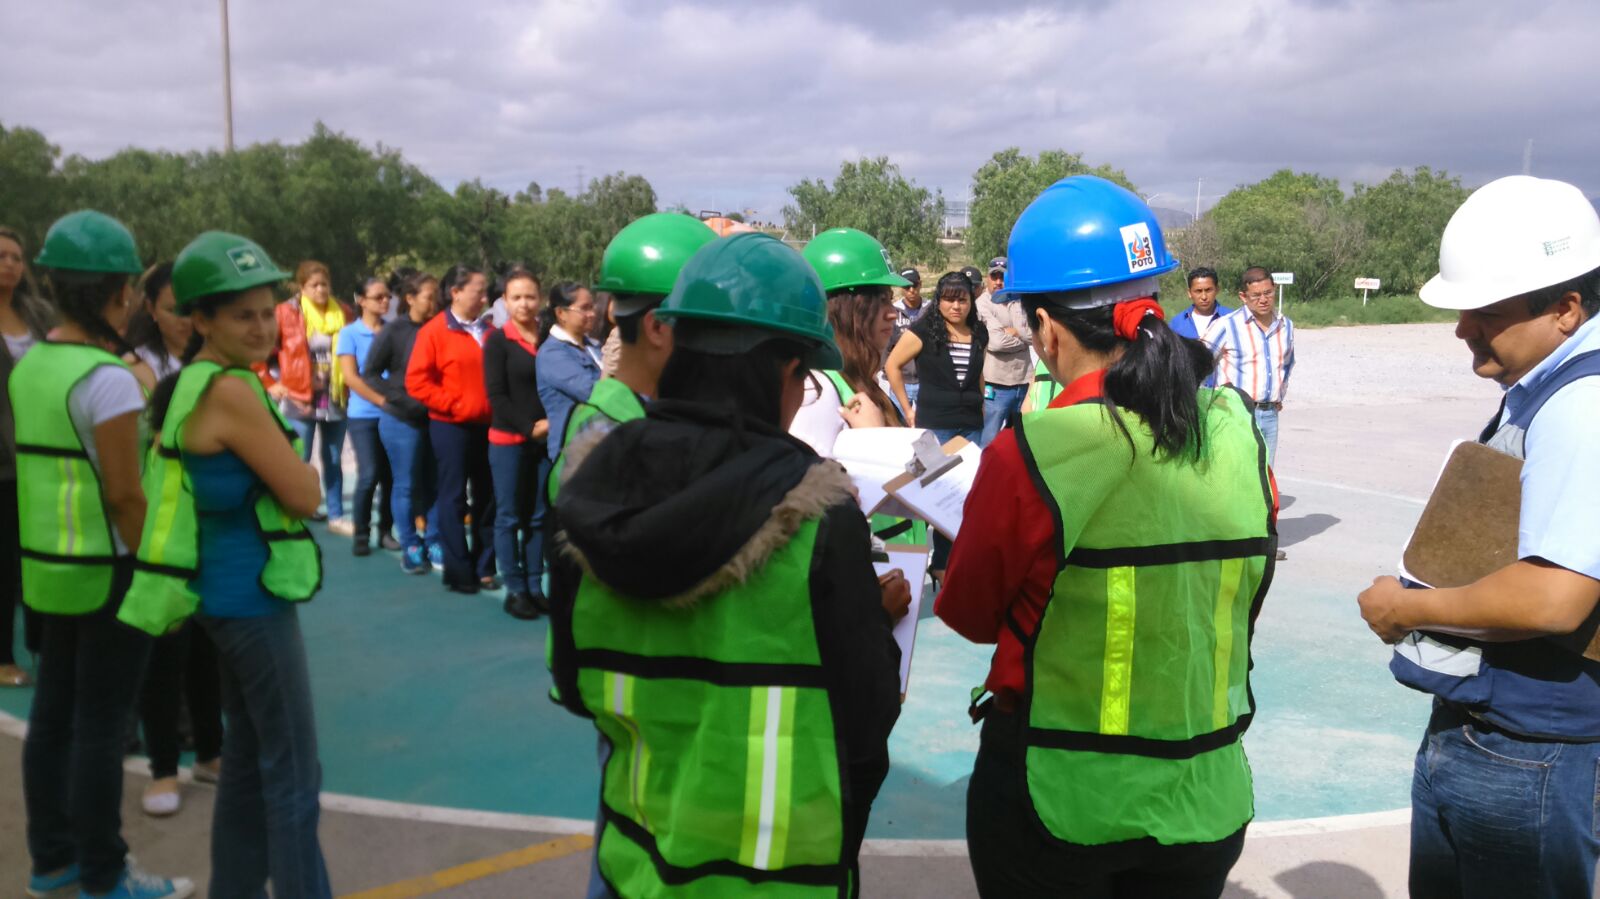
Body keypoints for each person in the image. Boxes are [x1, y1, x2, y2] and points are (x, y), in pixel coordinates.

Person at [937, 175, 1274, 899]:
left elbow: (968, 614)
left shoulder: (1036, 450)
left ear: (1048, 328)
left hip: (1059, 793)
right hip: (1202, 791)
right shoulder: (1235, 429)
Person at [550, 232, 901, 897]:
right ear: (783, 370)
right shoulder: (818, 515)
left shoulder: (591, 484)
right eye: (802, 376)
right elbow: (866, 721)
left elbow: (573, 681)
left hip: (638, 865)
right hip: (775, 878)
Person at [1356, 175, 1600, 899]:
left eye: (1484, 311)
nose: (1463, 327)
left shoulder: (1581, 407)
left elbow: (1556, 597)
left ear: (1565, 309)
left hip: (1531, 749)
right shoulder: (1551, 390)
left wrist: (1407, 608)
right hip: (1499, 736)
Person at [119, 230, 329, 899]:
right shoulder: (234, 391)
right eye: (243, 314)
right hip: (253, 602)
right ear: (200, 318)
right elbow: (304, 492)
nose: (263, 326)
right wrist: (297, 471)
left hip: (216, 595)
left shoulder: (188, 384)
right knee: (295, 774)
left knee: (244, 762)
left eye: (269, 311)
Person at [14, 210, 193, 899]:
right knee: (100, 725)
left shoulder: (32, 364)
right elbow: (126, 495)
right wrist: (161, 570)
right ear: (122, 293)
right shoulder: (110, 379)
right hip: (110, 568)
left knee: (53, 718)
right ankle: (103, 872)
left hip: (48, 567)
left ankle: (52, 858)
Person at [122, 262, 224, 820]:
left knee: (206, 651)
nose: (186, 318)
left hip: (208, 525)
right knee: (162, 654)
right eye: (174, 306)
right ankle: (164, 766)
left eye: (194, 307)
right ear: (150, 309)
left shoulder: (214, 370)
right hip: (157, 529)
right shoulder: (132, 371)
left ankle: (210, 752)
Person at [406, 264, 498, 594]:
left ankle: (485, 566)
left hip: (488, 427)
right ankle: (459, 571)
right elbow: (417, 382)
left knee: (488, 497)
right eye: (479, 290)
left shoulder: (489, 331)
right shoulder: (433, 331)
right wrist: (455, 404)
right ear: (456, 292)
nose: (486, 297)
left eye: (487, 291)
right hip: (451, 427)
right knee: (454, 497)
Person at [791, 227, 913, 455]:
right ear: (843, 309)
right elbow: (809, 487)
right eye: (878, 301)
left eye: (889, 299)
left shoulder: (858, 378)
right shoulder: (816, 394)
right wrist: (872, 443)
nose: (891, 313)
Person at [257, 260, 355, 534]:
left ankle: (336, 515)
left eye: (325, 284)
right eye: (314, 285)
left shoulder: (343, 312)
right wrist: (269, 382)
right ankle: (299, 509)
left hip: (335, 396)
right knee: (299, 457)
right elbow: (260, 350)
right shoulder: (285, 313)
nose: (321, 290)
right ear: (302, 287)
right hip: (299, 397)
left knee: (333, 457)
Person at [482, 268, 549, 620]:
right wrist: (529, 428)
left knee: (538, 517)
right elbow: (497, 396)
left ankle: (536, 586)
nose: (524, 303)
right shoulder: (497, 340)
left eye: (530, 296)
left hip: (544, 442)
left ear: (540, 300)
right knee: (508, 517)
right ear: (504, 301)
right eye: (516, 297)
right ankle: (516, 589)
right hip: (509, 440)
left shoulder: (548, 336)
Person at [0, 224, 50, 688]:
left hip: (41, 453)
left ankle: (42, 647)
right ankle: (1, 657)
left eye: (16, 256)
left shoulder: (36, 313)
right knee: (3, 562)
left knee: (37, 554)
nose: (11, 264)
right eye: (1, 256)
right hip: (2, 462)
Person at [367, 271, 442, 574]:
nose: (434, 301)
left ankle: (434, 541)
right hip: (402, 421)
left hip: (437, 419)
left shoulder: (440, 328)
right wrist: (399, 399)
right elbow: (370, 373)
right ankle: (410, 544)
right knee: (406, 484)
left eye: (437, 295)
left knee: (436, 483)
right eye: (428, 296)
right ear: (410, 298)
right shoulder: (394, 331)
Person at [1205, 266, 1295, 466]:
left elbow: (1287, 364)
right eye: (1255, 296)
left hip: (1270, 414)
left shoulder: (1285, 325)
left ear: (1274, 289)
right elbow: (1198, 363)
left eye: (1268, 293)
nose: (1263, 300)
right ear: (1243, 297)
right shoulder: (1226, 325)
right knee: (1235, 473)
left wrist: (1278, 395)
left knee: (1265, 475)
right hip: (1235, 414)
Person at [336, 277, 399, 556]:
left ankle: (386, 531)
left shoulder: (394, 331)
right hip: (364, 415)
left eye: (387, 297)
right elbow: (351, 376)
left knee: (391, 476)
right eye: (378, 297)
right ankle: (362, 532)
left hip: (394, 413)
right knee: (369, 473)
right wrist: (382, 401)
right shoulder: (349, 334)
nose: (385, 301)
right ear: (361, 300)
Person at [535, 281, 601, 462]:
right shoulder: (553, 354)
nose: (592, 314)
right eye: (584, 308)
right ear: (561, 313)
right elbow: (592, 392)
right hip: (573, 453)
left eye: (592, 307)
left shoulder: (593, 347)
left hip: (599, 446)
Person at [976, 255, 1032, 445]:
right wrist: (1024, 339)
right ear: (987, 278)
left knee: (1022, 438)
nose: (999, 282)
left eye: (1003, 277)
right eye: (995, 277)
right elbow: (996, 342)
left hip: (1024, 380)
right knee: (989, 437)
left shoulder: (1020, 300)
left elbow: (1036, 335)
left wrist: (1018, 333)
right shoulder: (982, 304)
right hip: (996, 383)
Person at [123, 263, 191, 390]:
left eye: (191, 308)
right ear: (151, 308)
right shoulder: (138, 364)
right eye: (172, 310)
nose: (185, 320)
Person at [890, 266, 925, 412]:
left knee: (927, 427)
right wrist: (889, 372)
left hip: (926, 381)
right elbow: (887, 344)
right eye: (906, 286)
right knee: (900, 427)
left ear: (920, 284)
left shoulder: (930, 310)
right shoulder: (893, 311)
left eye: (914, 285)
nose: (911, 290)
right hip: (900, 381)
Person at [1169, 266, 1232, 341]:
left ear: (1217, 290)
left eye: (1208, 290)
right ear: (1189, 293)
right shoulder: (1177, 323)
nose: (1204, 297)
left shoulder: (1231, 318)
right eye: (1198, 291)